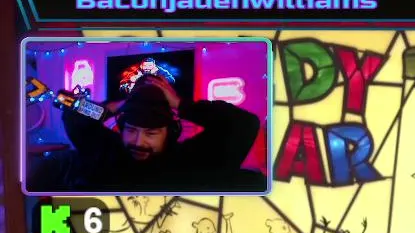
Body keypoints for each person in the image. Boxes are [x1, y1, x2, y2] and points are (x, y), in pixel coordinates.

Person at [28, 74, 265, 194]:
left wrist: (181, 104)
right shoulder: (106, 152)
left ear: (170, 132)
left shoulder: (190, 162)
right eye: (131, 130)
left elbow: (244, 124)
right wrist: (118, 105)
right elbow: (74, 113)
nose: (138, 142)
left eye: (151, 133)